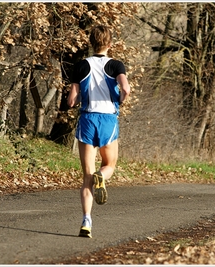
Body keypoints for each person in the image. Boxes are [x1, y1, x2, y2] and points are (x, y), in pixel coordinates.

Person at [67, 25, 131, 238]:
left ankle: (86, 221)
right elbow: (126, 89)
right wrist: (120, 99)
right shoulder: (116, 65)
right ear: (110, 44)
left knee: (86, 176)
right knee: (109, 164)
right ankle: (101, 176)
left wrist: (77, 99)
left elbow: (71, 100)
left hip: (87, 118)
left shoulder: (81, 65)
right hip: (108, 120)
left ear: (91, 43)